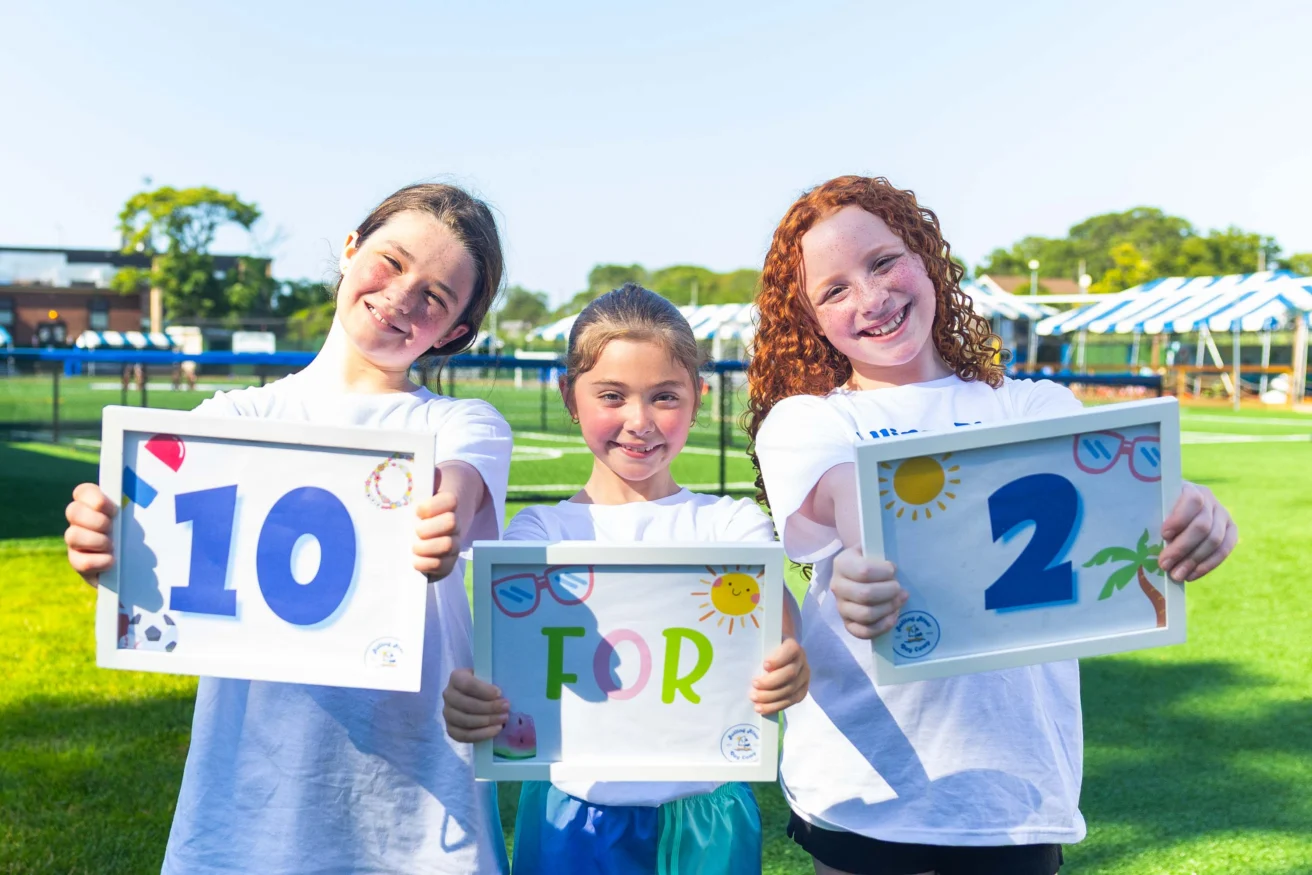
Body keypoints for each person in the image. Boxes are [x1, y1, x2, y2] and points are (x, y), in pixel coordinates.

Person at [744, 176, 1238, 875]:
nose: (873, 297)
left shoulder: (1032, 405)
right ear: (811, 320)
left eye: (884, 261)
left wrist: (1194, 507)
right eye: (835, 289)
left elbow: (1127, 488)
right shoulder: (809, 419)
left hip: (1017, 794)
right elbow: (848, 499)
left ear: (925, 257)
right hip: (866, 790)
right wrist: (866, 559)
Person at [63, 184, 514, 874]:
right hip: (248, 798)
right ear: (349, 248)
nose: (401, 296)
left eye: (435, 296)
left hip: (418, 811)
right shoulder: (231, 418)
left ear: (452, 332)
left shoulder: (458, 424)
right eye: (391, 262)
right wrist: (110, 541)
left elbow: (457, 485)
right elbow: (158, 549)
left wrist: (442, 511)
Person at [443, 284, 811, 875]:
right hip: (572, 812)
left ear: (699, 396)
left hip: (705, 814)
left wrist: (791, 660)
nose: (639, 422)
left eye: (664, 396)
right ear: (570, 396)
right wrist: (469, 698)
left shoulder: (731, 524)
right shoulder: (538, 533)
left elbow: (783, 633)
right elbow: (501, 667)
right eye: (612, 395)